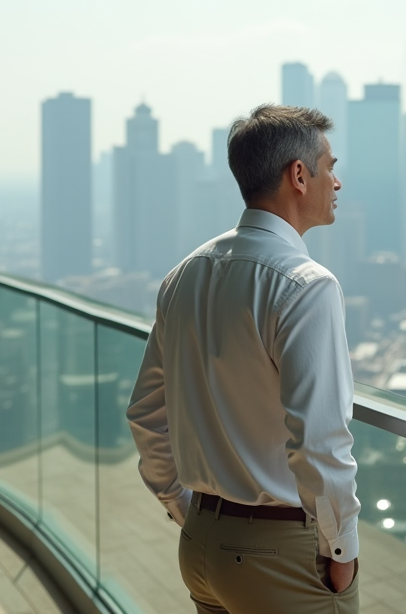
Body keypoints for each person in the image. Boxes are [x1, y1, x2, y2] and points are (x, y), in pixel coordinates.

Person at [126, 104, 360, 614]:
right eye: (331, 166)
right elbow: (320, 441)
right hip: (280, 557)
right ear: (299, 175)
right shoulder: (307, 286)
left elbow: (145, 413)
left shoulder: (184, 274)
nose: (337, 183)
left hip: (201, 546)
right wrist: (341, 550)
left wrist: (184, 509)